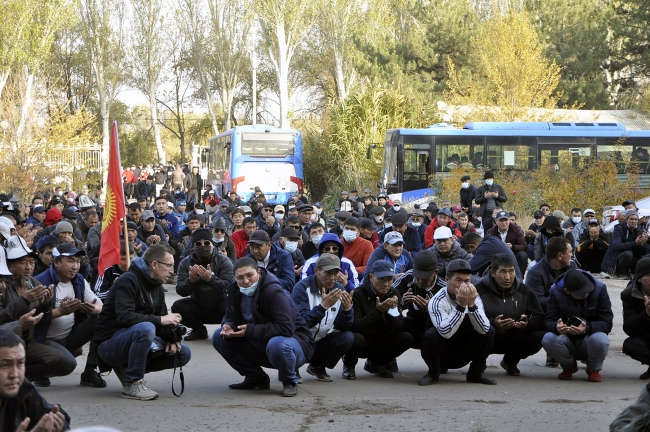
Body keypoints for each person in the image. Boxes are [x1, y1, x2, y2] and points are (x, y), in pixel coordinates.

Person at [94, 244, 192, 400]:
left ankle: (129, 367)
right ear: (154, 264)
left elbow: (161, 323)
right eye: (168, 266)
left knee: (183, 353)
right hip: (109, 345)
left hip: (135, 339)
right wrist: (161, 319)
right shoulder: (128, 280)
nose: (172, 271)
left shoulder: (158, 287)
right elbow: (125, 317)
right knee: (146, 328)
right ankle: (133, 383)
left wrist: (172, 339)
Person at [212, 258, 315, 397]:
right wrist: (228, 325)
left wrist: (249, 330)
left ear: (259, 272)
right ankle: (255, 378)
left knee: (277, 344)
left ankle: (290, 381)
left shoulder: (274, 292)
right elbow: (230, 315)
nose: (246, 281)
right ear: (235, 278)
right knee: (219, 337)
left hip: (295, 344)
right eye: (240, 278)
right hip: (260, 342)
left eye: (250, 275)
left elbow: (285, 328)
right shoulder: (235, 291)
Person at [34, 243, 104, 388]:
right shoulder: (40, 282)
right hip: (44, 340)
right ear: (56, 262)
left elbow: (99, 305)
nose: (75, 266)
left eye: (77, 261)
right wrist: (60, 311)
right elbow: (32, 318)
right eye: (70, 261)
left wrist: (92, 310)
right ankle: (38, 371)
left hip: (68, 336)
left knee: (101, 319)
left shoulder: (79, 280)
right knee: (68, 364)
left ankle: (90, 372)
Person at [419, 259, 496, 386]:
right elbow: (445, 333)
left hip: (464, 349)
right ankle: (433, 373)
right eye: (458, 280)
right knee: (431, 335)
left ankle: (476, 374)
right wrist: (461, 306)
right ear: (447, 279)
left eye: (467, 281)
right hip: (442, 351)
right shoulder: (437, 300)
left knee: (489, 331)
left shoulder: (475, 297)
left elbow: (484, 329)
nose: (463, 285)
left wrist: (471, 306)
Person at [475, 254, 545, 376]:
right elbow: (471, 317)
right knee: (484, 331)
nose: (507, 277)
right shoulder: (479, 290)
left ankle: (510, 361)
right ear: (492, 272)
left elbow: (539, 316)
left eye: (511, 271)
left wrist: (527, 322)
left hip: (514, 336)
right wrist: (493, 323)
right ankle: (479, 363)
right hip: (489, 336)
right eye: (502, 272)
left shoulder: (524, 291)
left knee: (539, 336)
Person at [342, 260, 413, 379]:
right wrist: (378, 312)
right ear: (371, 277)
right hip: (364, 339)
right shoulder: (358, 294)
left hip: (382, 338)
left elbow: (400, 327)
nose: (386, 284)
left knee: (406, 337)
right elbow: (355, 325)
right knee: (354, 338)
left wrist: (391, 310)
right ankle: (349, 365)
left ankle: (376, 363)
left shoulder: (393, 293)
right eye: (382, 279)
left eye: (389, 280)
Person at [542, 269, 613, 382]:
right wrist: (557, 327)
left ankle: (593, 369)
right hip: (566, 340)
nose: (586, 293)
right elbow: (548, 321)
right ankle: (569, 366)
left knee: (601, 339)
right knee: (548, 338)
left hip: (590, 338)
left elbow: (607, 322)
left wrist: (587, 328)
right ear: (567, 291)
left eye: (587, 290)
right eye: (580, 293)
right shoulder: (555, 292)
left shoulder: (599, 289)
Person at [291, 254, 354, 382]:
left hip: (320, 341)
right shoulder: (302, 288)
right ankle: (292, 368)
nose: (332, 278)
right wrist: (323, 307)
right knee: (290, 340)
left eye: (335, 273)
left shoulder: (339, 289)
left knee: (347, 337)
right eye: (327, 273)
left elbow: (342, 326)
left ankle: (317, 365)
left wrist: (347, 310)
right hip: (300, 341)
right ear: (317, 271)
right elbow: (302, 323)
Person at [0, 329, 70, 432]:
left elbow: (51, 413)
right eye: (5, 365)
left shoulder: (21, 389)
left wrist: (56, 424)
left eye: (20, 363)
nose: (15, 374)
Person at [171, 228, 234, 341]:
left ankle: (228, 328)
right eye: (198, 243)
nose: (202, 245)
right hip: (198, 305)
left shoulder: (224, 261)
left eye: (206, 243)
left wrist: (211, 279)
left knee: (235, 304)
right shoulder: (186, 263)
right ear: (193, 246)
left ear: (212, 244)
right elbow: (180, 290)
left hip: (221, 306)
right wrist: (191, 281)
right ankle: (199, 330)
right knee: (177, 307)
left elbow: (231, 285)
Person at [392, 250, 446, 347]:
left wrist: (431, 310)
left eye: (425, 278)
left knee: (436, 335)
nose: (420, 282)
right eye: (417, 277)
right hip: (410, 323)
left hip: (432, 328)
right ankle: (386, 359)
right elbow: (386, 297)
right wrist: (401, 302)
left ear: (435, 272)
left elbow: (448, 320)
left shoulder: (443, 288)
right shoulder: (408, 276)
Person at [621, 257, 650, 380]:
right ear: (639, 279)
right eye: (648, 275)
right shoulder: (629, 295)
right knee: (630, 345)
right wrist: (647, 314)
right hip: (647, 336)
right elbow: (629, 328)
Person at [602, 210, 648, 278]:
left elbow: (642, 253)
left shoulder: (639, 230)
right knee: (627, 254)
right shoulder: (618, 228)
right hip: (615, 257)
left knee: (644, 261)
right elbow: (616, 246)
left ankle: (631, 272)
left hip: (631, 257)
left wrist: (643, 244)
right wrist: (635, 243)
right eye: (631, 219)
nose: (633, 221)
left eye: (635, 219)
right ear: (626, 219)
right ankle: (621, 272)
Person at [487, 210, 529, 276]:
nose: (504, 223)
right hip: (497, 255)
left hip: (513, 254)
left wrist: (513, 246)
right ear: (496, 221)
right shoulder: (491, 232)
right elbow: (487, 247)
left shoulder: (516, 229)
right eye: (501, 220)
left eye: (506, 220)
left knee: (523, 255)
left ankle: (520, 277)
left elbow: (524, 246)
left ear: (509, 220)